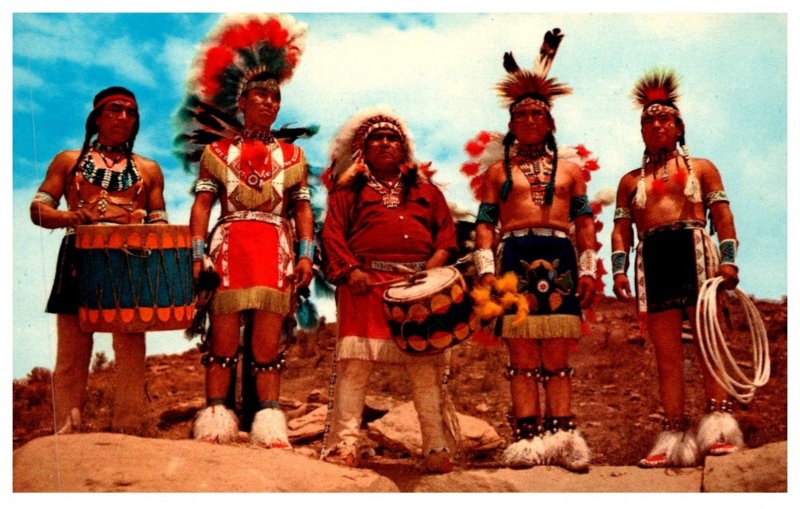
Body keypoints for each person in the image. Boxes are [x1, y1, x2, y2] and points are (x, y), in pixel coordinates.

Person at [174, 13, 314, 446]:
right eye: (260, 97)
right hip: (229, 245)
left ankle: (268, 420)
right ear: (243, 103)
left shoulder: (293, 157)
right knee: (223, 337)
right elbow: (202, 206)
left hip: (275, 247)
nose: (269, 104)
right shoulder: (217, 152)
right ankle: (216, 413)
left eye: (275, 99)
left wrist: (307, 254)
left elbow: (302, 210)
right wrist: (198, 253)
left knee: (267, 344)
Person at [471, 29, 597, 471]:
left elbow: (583, 222)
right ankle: (527, 440)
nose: (528, 119)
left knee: (557, 356)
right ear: (510, 123)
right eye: (520, 113)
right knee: (522, 356)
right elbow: (485, 225)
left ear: (549, 122)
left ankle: (562, 440)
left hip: (561, 256)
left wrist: (588, 269)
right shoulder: (496, 173)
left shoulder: (570, 171)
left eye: (536, 113)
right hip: (512, 261)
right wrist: (486, 271)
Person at [611, 69, 743, 468]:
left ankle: (719, 429)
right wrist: (618, 271)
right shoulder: (630, 181)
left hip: (695, 252)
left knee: (708, 345)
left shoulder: (702, 168)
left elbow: (722, 217)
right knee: (667, 356)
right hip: (653, 258)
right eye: (648, 121)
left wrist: (729, 262)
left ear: (678, 126)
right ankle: (672, 436)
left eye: (663, 118)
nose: (656, 125)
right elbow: (620, 231)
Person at [320, 107, 459, 474]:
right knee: (355, 366)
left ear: (403, 148)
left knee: (425, 370)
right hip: (364, 284)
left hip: (420, 288)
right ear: (362, 149)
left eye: (391, 138)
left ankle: (436, 447)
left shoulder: (427, 192)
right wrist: (350, 271)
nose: (384, 143)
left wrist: (430, 275)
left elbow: (446, 237)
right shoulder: (347, 191)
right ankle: (344, 445)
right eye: (376, 138)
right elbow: (332, 235)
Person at [30, 86, 168, 435]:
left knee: (130, 345)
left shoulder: (148, 170)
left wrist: (145, 225)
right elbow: (39, 209)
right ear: (97, 117)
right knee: (73, 349)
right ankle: (67, 425)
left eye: (131, 112)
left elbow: (159, 220)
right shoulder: (68, 161)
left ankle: (129, 425)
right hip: (78, 253)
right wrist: (72, 218)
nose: (124, 117)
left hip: (130, 258)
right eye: (115, 109)